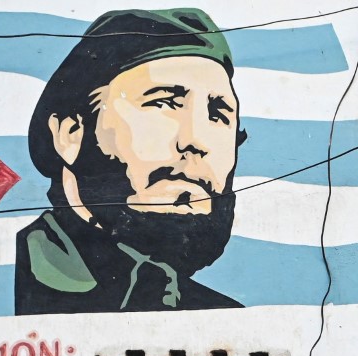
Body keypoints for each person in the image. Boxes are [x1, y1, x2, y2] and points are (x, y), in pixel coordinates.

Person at [17, 8, 243, 314]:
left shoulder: (223, 317)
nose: (195, 141)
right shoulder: (23, 281)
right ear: (70, 134)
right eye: (163, 102)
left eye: (218, 114)